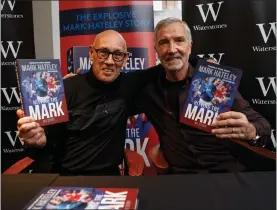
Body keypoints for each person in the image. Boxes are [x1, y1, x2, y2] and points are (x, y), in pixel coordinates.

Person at [16, 30, 205, 175]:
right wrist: (37, 142)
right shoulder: (65, 88)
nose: (109, 61)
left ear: (125, 59)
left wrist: (200, 63)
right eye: (103, 52)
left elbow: (169, 62)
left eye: (117, 55)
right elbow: (44, 148)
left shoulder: (130, 85)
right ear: (91, 53)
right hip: (66, 178)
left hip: (109, 179)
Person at [136, 17, 271, 174]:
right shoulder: (148, 90)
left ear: (190, 46)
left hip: (225, 174)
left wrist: (251, 131)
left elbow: (263, 127)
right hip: (179, 179)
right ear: (156, 50)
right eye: (164, 42)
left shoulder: (215, 80)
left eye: (179, 40)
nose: (172, 49)